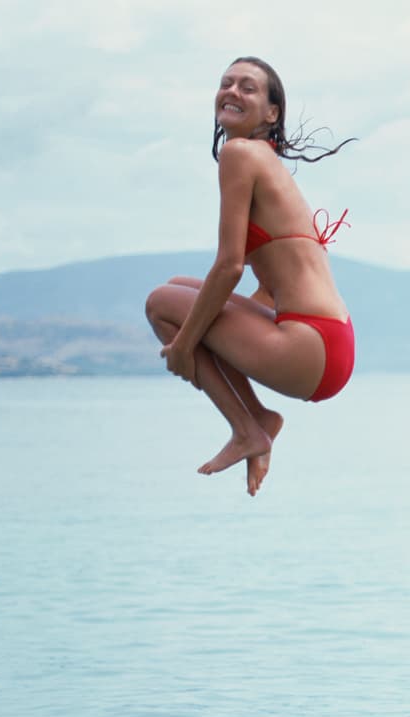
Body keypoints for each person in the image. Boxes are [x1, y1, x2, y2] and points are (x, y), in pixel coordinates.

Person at [145, 58, 356, 496]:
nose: (232, 92)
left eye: (248, 87)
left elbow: (229, 267)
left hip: (310, 346)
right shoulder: (266, 161)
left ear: (271, 112)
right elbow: (266, 287)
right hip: (329, 342)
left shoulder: (239, 153)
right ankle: (257, 419)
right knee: (182, 288)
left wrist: (185, 347)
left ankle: (247, 429)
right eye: (226, 84)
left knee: (161, 304)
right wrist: (202, 337)